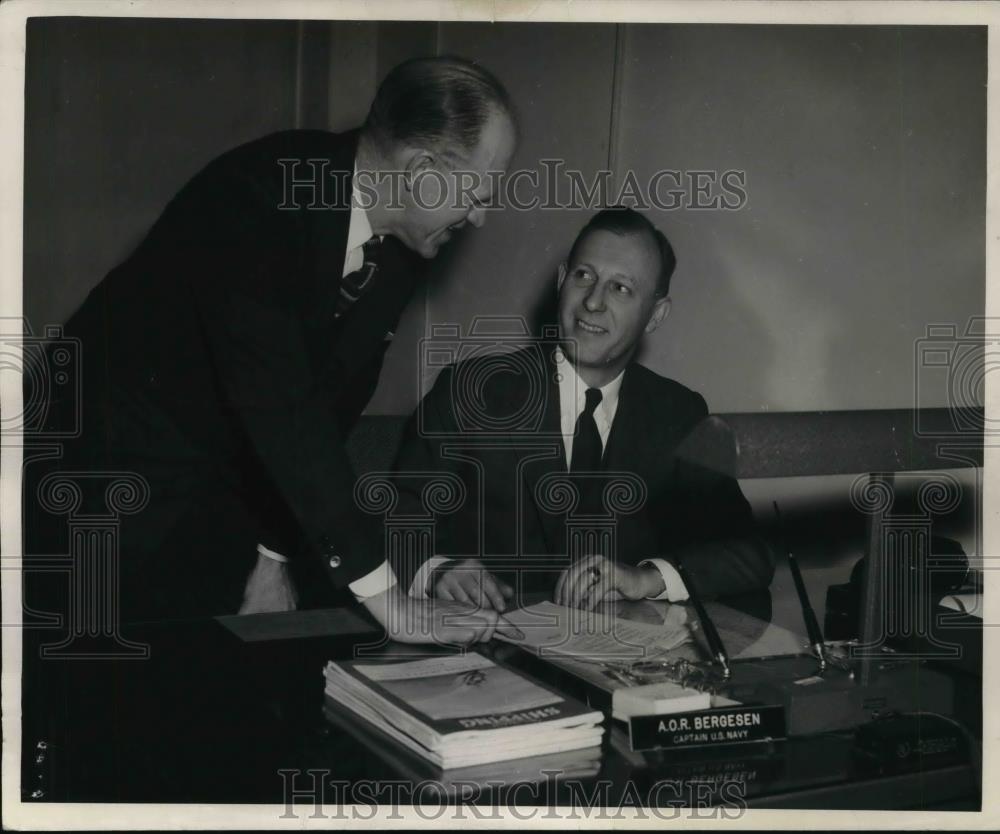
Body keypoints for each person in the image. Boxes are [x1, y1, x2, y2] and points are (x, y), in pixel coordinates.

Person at [27, 56, 519, 644]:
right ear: (422, 171)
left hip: (209, 495)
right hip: (92, 482)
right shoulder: (257, 199)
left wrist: (273, 554)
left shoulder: (403, 244)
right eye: (479, 193)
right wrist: (392, 604)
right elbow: (282, 404)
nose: (483, 216)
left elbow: (330, 404)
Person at [391, 207, 774, 611]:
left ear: (655, 315)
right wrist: (436, 570)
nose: (593, 302)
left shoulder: (679, 414)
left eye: (621, 288)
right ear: (561, 282)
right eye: (583, 276)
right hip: (486, 650)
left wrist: (648, 578)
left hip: (616, 661)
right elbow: (392, 523)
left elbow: (750, 553)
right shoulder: (472, 391)